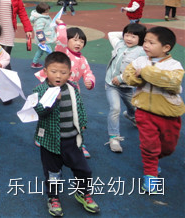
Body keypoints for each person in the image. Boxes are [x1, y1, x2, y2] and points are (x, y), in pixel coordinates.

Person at [33, 51, 100, 217]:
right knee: (52, 173)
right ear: (45, 71)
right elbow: (39, 111)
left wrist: (82, 123)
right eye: (54, 71)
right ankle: (53, 198)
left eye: (63, 72)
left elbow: (79, 107)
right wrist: (51, 102)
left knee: (83, 170)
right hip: (50, 141)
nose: (58, 76)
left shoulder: (72, 88)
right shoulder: (40, 90)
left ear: (69, 74)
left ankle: (82, 193)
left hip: (72, 140)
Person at [123, 26, 184, 194]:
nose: (146, 45)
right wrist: (139, 76)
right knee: (149, 145)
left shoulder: (174, 65)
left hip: (168, 114)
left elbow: (171, 82)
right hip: (144, 112)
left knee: (168, 147)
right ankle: (150, 173)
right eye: (145, 41)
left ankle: (154, 160)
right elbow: (129, 77)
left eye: (151, 42)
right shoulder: (139, 61)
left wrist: (144, 72)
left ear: (166, 47)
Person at [34, 21, 95, 158]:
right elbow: (61, 39)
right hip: (53, 88)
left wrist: (90, 80)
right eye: (75, 40)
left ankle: (79, 143)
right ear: (67, 40)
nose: (78, 43)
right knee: (47, 113)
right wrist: (61, 26)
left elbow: (88, 72)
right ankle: (41, 135)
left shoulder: (83, 59)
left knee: (73, 115)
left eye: (81, 41)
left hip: (72, 91)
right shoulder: (62, 52)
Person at [104, 24, 147, 153]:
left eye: (133, 37)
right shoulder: (119, 44)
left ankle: (131, 116)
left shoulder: (142, 52)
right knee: (115, 108)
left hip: (127, 86)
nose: (129, 39)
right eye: (127, 35)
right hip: (111, 84)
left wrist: (121, 78)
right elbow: (111, 34)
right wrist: (127, 32)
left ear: (141, 38)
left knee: (132, 107)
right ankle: (114, 137)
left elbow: (137, 70)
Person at [30, 2, 58, 69]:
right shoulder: (40, 19)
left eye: (48, 11)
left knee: (40, 51)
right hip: (44, 40)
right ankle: (53, 63)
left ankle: (34, 63)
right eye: (46, 12)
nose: (48, 13)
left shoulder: (45, 17)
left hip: (45, 38)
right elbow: (39, 30)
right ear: (41, 12)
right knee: (49, 52)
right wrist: (42, 40)